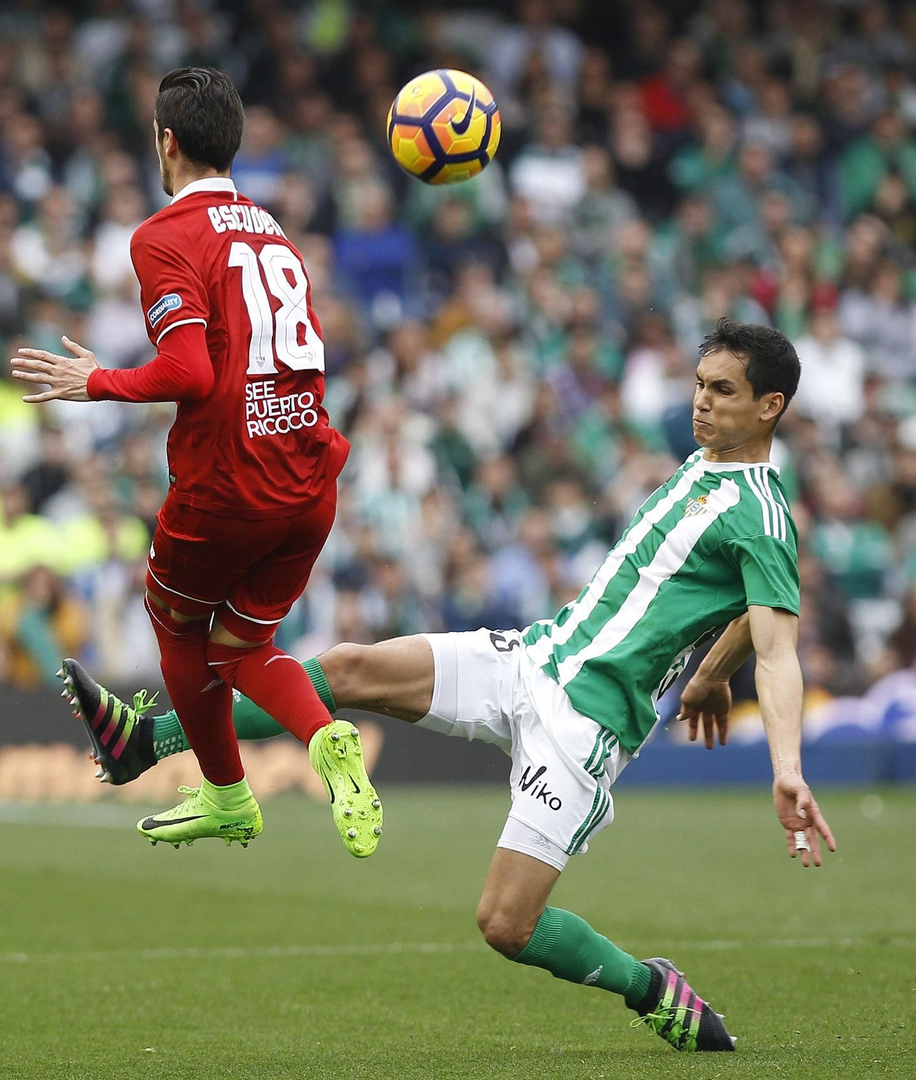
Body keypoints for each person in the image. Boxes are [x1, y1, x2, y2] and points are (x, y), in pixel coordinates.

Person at [62, 319, 836, 1052]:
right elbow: (747, 597)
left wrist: (787, 767)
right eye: (700, 384)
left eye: (724, 391)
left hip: (586, 725)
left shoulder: (762, 514)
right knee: (348, 667)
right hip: (533, 658)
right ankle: (143, 743)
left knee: (506, 924)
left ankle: (649, 988)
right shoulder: (706, 467)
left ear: (771, 406)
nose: (702, 401)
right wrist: (706, 671)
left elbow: (777, 643)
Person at [8, 68, 376, 856]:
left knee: (173, 620)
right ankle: (322, 736)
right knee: (242, 649)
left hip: (231, 481)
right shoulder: (272, 230)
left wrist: (93, 381)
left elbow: (188, 373)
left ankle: (228, 794)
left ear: (165, 142)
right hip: (310, 474)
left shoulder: (161, 236)